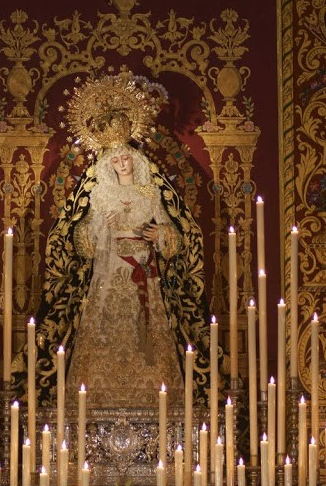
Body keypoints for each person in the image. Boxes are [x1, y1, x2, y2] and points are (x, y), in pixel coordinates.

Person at [14, 70, 215, 410]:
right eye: (116, 160)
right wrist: (96, 229)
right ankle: (94, 402)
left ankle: (155, 401)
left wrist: (160, 235)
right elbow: (80, 240)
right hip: (108, 273)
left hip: (145, 272)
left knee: (148, 334)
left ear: (135, 160)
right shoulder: (99, 195)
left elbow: (175, 235)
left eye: (126, 158)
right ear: (108, 164)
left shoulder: (150, 193)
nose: (122, 164)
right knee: (104, 333)